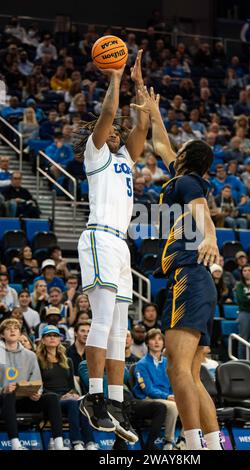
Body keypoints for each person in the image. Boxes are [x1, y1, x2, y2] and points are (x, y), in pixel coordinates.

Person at [131, 86, 223, 450]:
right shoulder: (183, 177)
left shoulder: (186, 183)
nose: (175, 151)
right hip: (197, 283)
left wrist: (211, 237)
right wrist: (154, 112)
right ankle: (212, 444)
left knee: (176, 368)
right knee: (193, 375)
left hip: (189, 277)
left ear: (186, 159)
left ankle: (191, 443)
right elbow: (161, 145)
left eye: (181, 152)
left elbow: (202, 212)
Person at [77, 50, 148, 442]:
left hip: (120, 245)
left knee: (121, 328)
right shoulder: (97, 153)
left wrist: (138, 85)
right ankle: (93, 397)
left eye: (118, 130)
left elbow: (139, 128)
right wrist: (116, 78)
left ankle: (116, 404)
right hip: (100, 235)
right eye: (110, 129)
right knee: (103, 320)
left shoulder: (125, 158)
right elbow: (108, 116)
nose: (116, 130)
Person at [0, 319, 68, 450]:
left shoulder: (30, 355)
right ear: (2, 335)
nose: (12, 330)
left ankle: (58, 444)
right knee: (9, 395)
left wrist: (37, 393)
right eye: (8, 329)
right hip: (4, 399)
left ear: (20, 334)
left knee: (52, 398)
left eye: (15, 328)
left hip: (25, 398)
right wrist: (3, 389)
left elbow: (37, 380)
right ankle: (16, 444)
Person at [36, 325, 98, 450]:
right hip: (49, 398)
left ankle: (90, 442)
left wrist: (73, 393)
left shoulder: (67, 360)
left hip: (67, 397)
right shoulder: (37, 360)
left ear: (60, 339)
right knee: (72, 403)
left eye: (55, 336)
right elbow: (39, 385)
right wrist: (62, 397)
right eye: (49, 336)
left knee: (82, 401)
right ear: (43, 340)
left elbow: (70, 385)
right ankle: (77, 442)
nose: (52, 338)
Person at [133, 329, 179, 450]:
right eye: (153, 339)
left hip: (167, 397)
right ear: (147, 343)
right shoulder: (141, 364)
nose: (156, 342)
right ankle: (169, 442)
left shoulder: (168, 363)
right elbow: (148, 390)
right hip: (147, 399)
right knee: (173, 407)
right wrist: (167, 396)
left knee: (190, 405)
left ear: (164, 343)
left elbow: (173, 385)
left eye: (160, 339)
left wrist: (174, 395)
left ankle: (183, 440)